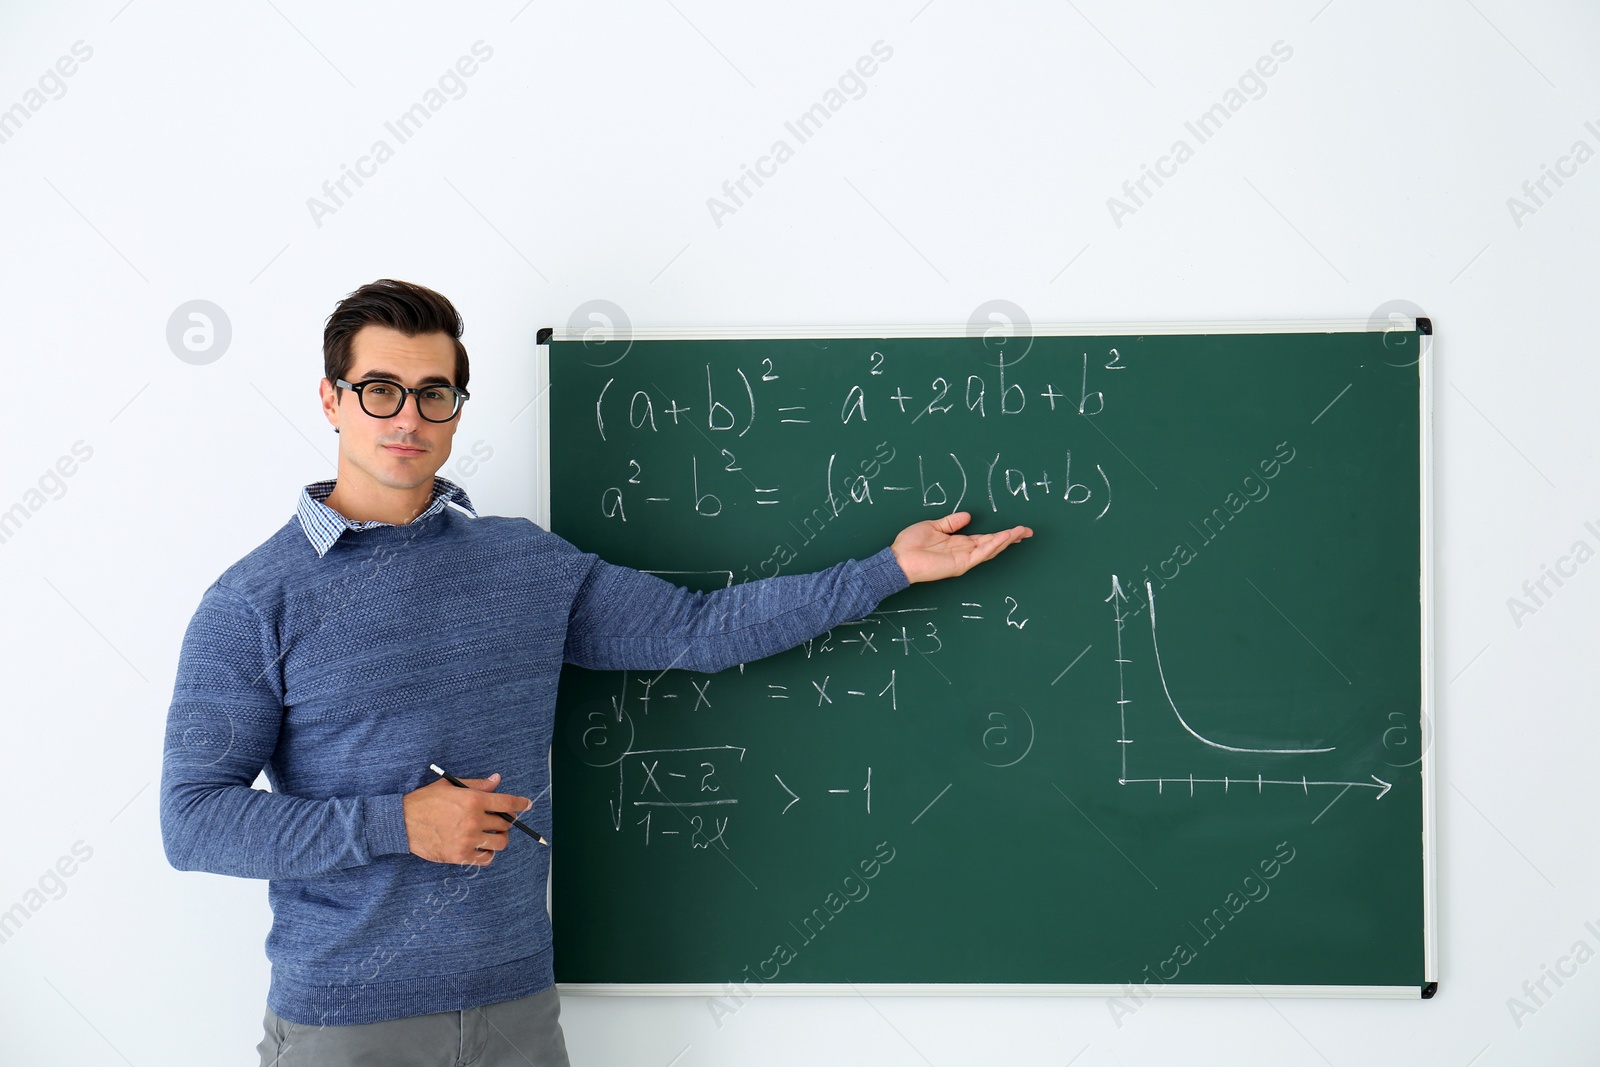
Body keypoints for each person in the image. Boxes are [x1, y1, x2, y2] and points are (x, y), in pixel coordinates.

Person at [159, 279, 1032, 1066]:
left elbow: (699, 629)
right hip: (346, 1025)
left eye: (435, 394)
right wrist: (398, 823)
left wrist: (886, 569)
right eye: (380, 390)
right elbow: (192, 821)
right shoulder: (253, 600)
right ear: (332, 399)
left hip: (516, 1012)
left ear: (459, 408)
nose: (408, 417)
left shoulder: (521, 564)